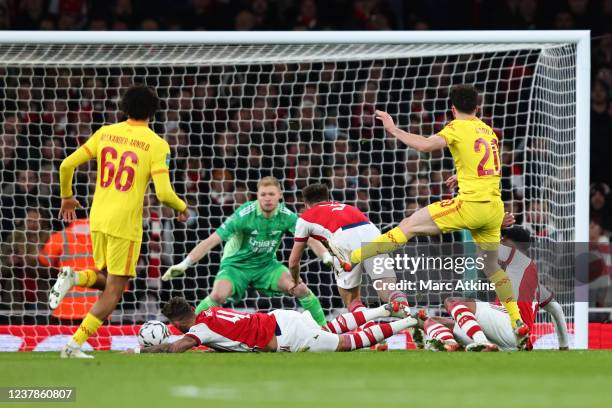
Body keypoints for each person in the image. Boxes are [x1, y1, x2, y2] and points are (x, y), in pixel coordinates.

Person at [328, 84, 529, 348]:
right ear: (478, 108)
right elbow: (487, 168)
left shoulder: (456, 127)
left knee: (409, 226)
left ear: (453, 109)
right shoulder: (489, 132)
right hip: (494, 208)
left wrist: (393, 129)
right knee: (491, 267)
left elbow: (424, 145)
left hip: (470, 205)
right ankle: (517, 322)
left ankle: (349, 259)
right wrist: (462, 176)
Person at [54, 84, 189, 358]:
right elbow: (163, 193)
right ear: (154, 112)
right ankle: (73, 346)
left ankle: (75, 276)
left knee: (109, 281)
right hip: (124, 224)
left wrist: (67, 197)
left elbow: (66, 165)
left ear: (123, 108)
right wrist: (182, 207)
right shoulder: (156, 144)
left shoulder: (106, 133)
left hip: (98, 217)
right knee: (115, 291)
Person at [162, 176, 329, 326]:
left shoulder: (287, 215)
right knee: (218, 296)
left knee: (300, 289)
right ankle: (191, 331)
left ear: (280, 195)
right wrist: (184, 264)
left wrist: (326, 255)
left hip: (266, 266)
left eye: (271, 194)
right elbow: (211, 240)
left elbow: (310, 239)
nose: (267, 199)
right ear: (257, 196)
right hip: (236, 267)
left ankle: (325, 329)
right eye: (263, 194)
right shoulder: (244, 214)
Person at [417, 226, 569, 352]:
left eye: (504, 239)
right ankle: (450, 343)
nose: (501, 241)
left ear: (514, 245)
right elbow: (556, 310)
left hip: (510, 325)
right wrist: (564, 346)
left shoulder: (517, 256)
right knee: (433, 321)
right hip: (514, 340)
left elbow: (482, 248)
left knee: (453, 302)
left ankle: (481, 341)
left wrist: (494, 222)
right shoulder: (534, 284)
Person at [126, 296, 416, 353]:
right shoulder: (210, 313)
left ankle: (408, 321)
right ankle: (381, 309)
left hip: (286, 335)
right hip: (281, 317)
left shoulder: (198, 331)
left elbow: (177, 348)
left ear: (176, 322)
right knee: (330, 327)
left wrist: (140, 352)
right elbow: (228, 338)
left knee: (343, 343)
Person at [288, 183, 408, 314]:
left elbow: (293, 262)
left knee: (351, 297)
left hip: (344, 238)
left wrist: (295, 280)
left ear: (306, 204)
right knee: (388, 290)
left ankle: (365, 330)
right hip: (373, 234)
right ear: (327, 199)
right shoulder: (346, 206)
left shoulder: (305, 218)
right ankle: (409, 324)